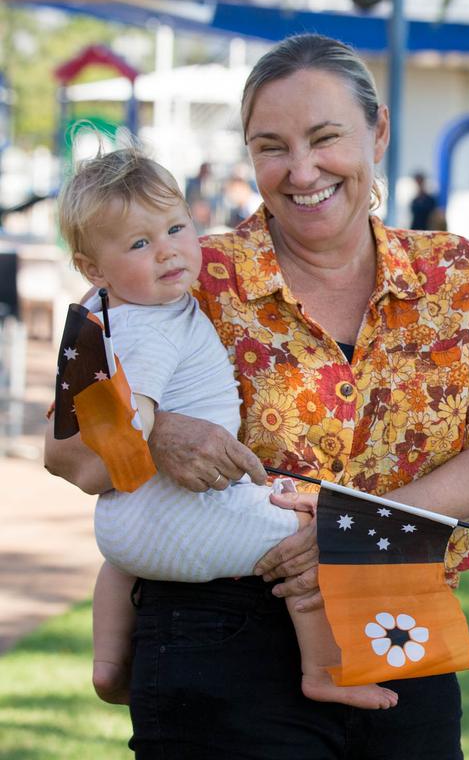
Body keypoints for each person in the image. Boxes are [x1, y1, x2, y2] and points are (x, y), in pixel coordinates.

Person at [46, 33, 469, 759]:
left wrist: (350, 529)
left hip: (401, 622)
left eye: (325, 138)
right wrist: (157, 434)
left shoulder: (457, 276)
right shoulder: (177, 271)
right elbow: (67, 454)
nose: (302, 169)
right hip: (220, 635)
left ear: (377, 132)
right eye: (272, 146)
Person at [53, 147, 400, 712]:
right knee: (301, 530)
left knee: (121, 558)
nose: (168, 250)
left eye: (175, 227)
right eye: (140, 244)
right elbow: (133, 411)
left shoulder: (105, 311)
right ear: (94, 267)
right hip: (180, 513)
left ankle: (110, 663)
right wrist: (147, 431)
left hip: (121, 528)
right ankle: (323, 671)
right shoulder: (153, 329)